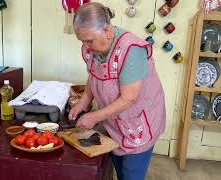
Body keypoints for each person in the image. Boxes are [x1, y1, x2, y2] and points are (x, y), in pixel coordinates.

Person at [68, 2, 166, 180]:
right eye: (81, 41)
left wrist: (94, 116)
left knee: (131, 173)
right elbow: (94, 74)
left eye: (88, 40)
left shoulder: (131, 50)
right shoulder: (93, 48)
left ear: (106, 30)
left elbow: (129, 98)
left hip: (137, 122)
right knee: (118, 167)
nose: (86, 46)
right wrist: (84, 100)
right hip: (114, 120)